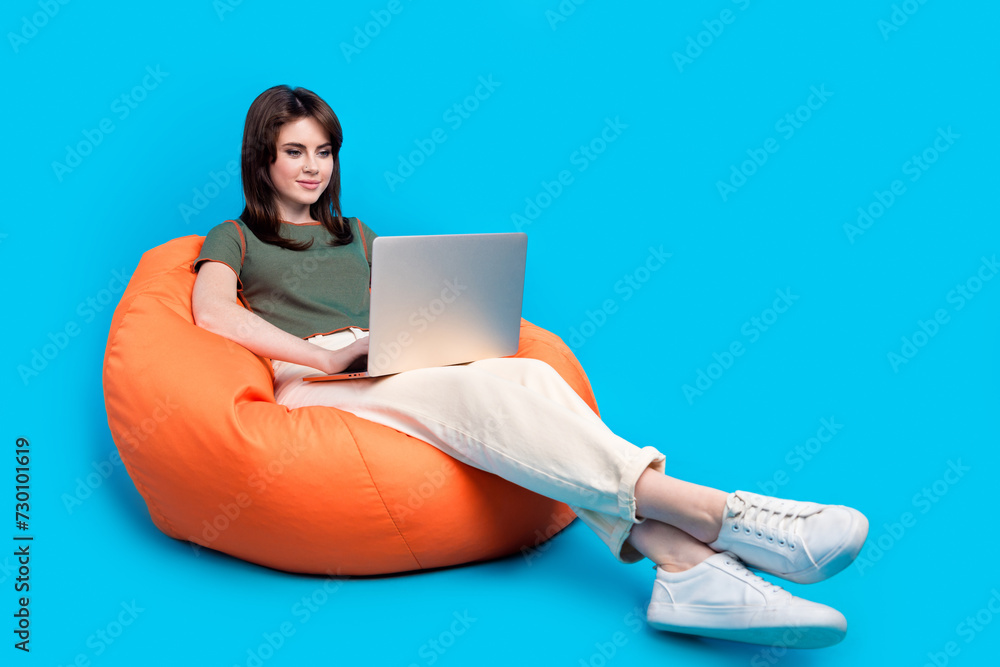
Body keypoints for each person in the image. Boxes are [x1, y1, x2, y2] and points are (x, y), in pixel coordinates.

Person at [190, 85, 869, 649]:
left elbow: (402, 307)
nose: (313, 167)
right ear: (263, 159)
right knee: (463, 390)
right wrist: (325, 353)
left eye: (325, 151)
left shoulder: (357, 233)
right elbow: (213, 313)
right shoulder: (236, 236)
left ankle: (684, 566)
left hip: (382, 360)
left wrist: (427, 333)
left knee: (536, 377)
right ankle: (718, 513)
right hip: (316, 381)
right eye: (294, 152)